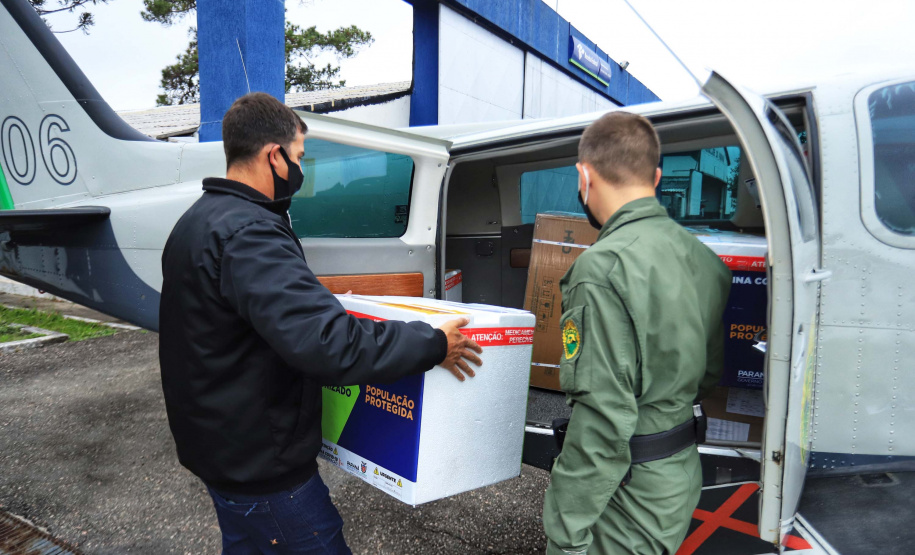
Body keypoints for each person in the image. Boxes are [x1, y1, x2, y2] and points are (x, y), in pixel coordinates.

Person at [159, 92, 482, 554]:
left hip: (220, 451)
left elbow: (236, 319)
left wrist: (316, 303)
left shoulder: (198, 220)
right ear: (274, 156)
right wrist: (432, 344)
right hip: (264, 471)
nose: (300, 169)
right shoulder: (251, 233)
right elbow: (332, 346)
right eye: (299, 157)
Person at [542, 111, 731, 554]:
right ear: (658, 176)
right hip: (677, 477)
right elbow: (708, 375)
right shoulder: (702, 259)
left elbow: (603, 420)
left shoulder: (601, 269)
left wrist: (565, 532)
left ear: (583, 176)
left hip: (628, 494)